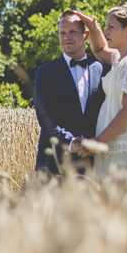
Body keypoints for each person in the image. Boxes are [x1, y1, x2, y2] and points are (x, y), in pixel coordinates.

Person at [70, 2, 127, 177]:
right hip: (117, 149)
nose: (106, 32)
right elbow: (98, 49)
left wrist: (98, 141)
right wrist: (93, 27)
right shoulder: (121, 58)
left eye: (111, 27)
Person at [32, 10, 108, 174]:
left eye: (72, 32)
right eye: (62, 33)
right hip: (54, 161)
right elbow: (45, 117)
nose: (66, 37)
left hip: (94, 162)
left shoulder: (101, 69)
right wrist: (71, 142)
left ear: (85, 34)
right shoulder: (45, 72)